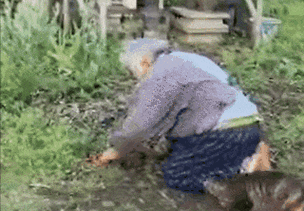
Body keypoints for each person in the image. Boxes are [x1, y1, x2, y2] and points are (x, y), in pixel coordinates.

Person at [87, 38, 271, 193]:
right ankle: (251, 151)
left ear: (143, 62)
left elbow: (140, 124)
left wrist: (115, 151)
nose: (135, 78)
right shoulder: (185, 59)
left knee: (177, 174)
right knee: (180, 149)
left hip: (225, 130)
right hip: (249, 124)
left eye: (131, 71)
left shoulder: (160, 75)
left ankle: (244, 172)